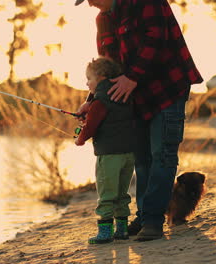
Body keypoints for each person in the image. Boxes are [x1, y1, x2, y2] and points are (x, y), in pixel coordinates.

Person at [73, 0, 203, 241]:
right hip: (136, 97)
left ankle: (153, 220)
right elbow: (106, 68)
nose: (90, 4)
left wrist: (132, 77)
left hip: (168, 88)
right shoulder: (103, 19)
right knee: (141, 159)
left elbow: (155, 39)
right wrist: (92, 100)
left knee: (162, 154)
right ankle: (144, 216)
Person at [75, 57, 137, 244]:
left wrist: (80, 139)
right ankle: (122, 230)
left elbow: (91, 126)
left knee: (107, 194)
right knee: (121, 193)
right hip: (129, 154)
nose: (87, 83)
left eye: (89, 79)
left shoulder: (100, 101)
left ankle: (104, 233)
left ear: (100, 78)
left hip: (109, 155)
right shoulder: (125, 95)